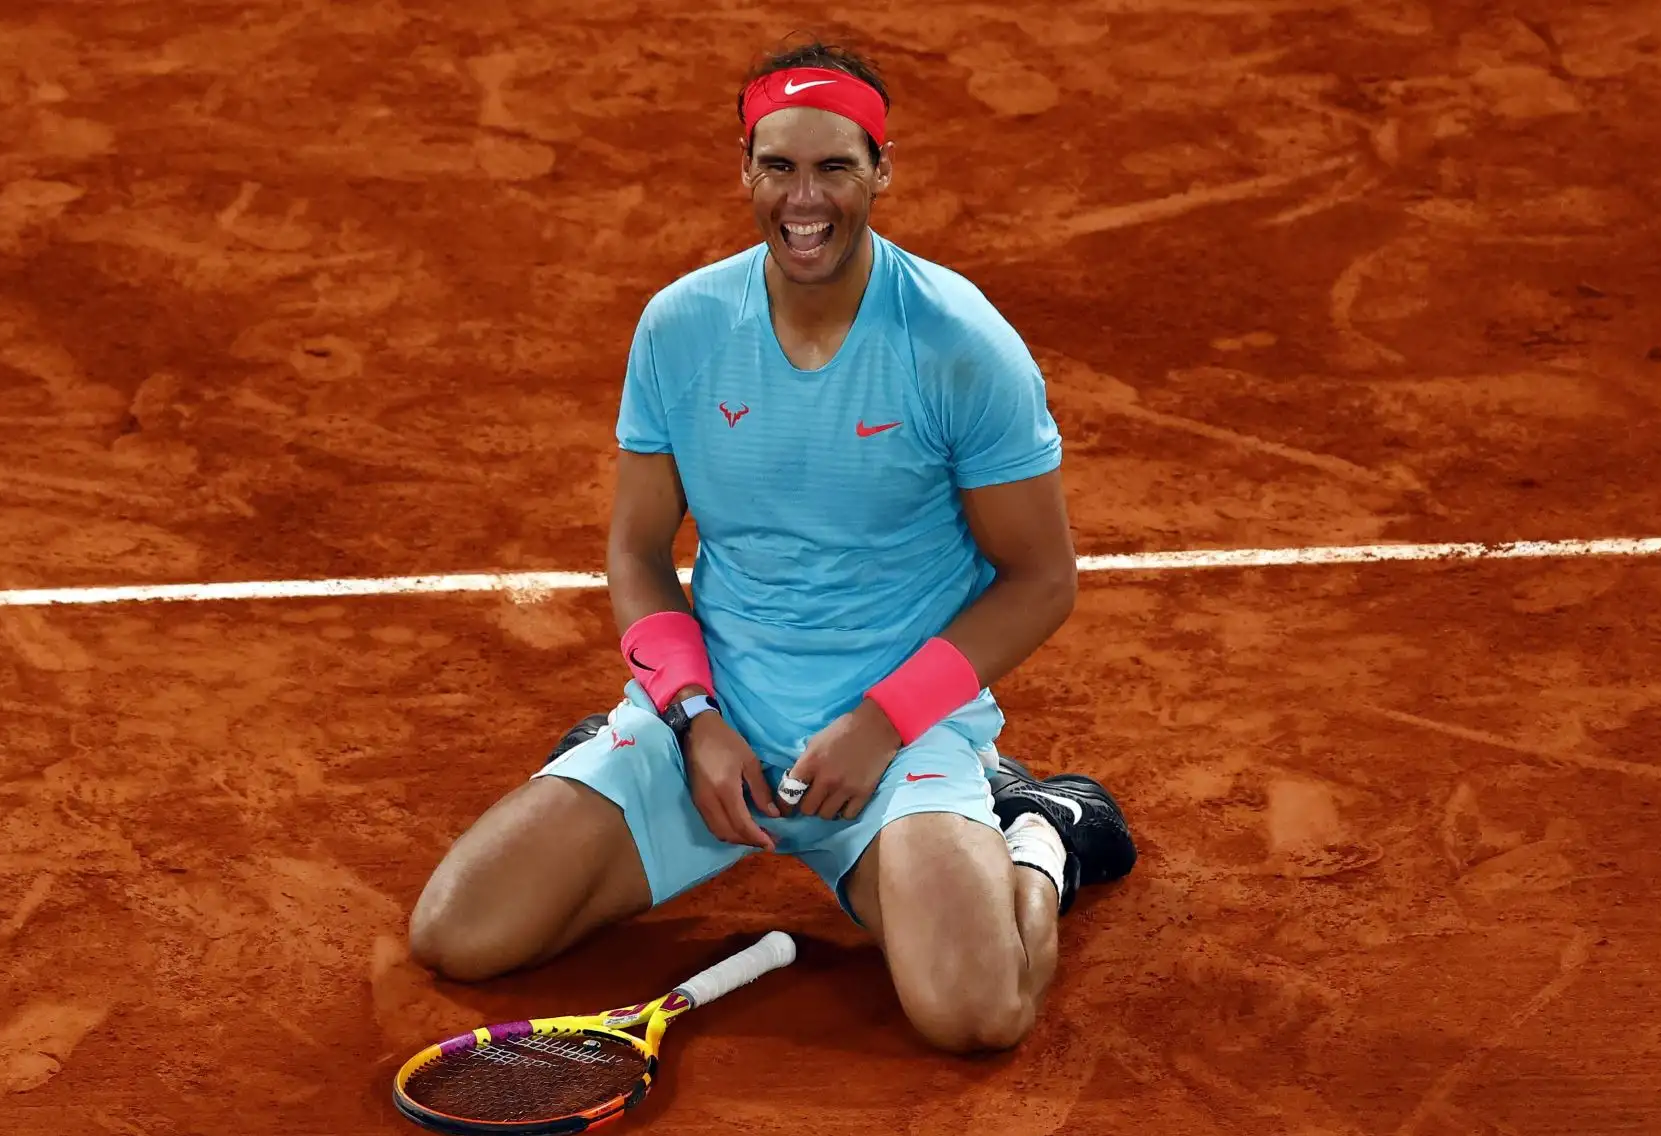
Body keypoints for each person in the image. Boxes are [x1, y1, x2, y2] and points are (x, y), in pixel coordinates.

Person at [409, 40, 1136, 1055]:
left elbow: (1042, 578)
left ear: (882, 171)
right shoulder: (681, 329)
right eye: (780, 166)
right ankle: (621, 763)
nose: (807, 198)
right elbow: (635, 550)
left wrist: (884, 722)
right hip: (724, 737)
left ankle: (1037, 833)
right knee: (457, 934)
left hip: (896, 747)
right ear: (744, 171)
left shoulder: (959, 345)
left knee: (979, 1015)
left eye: (836, 166)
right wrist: (693, 714)